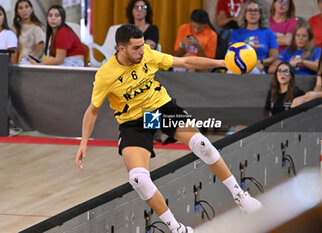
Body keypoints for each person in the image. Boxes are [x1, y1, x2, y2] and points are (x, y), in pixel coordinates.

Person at [75, 24, 261, 233]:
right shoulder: (105, 75)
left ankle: (239, 195)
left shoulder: (148, 55)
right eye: (136, 48)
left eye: (143, 46)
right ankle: (177, 229)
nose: (141, 51)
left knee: (202, 144)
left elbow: (186, 60)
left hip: (160, 109)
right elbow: (92, 111)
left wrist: (222, 62)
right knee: (139, 179)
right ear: (121, 48)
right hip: (134, 122)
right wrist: (83, 142)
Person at [228, 0, 278, 74]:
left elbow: (274, 56)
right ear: (244, 14)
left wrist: (261, 62)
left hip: (259, 68)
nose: (253, 13)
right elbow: (232, 54)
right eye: (250, 10)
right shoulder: (236, 33)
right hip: (240, 65)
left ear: (260, 14)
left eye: (256, 10)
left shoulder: (268, 33)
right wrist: (251, 63)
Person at [12, 0, 44, 64]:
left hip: (30, 62)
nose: (24, 10)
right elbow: (14, 48)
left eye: (26, 7)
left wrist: (31, 61)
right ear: (17, 12)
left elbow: (40, 51)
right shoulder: (15, 27)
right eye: (20, 8)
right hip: (17, 61)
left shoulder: (37, 28)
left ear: (31, 9)